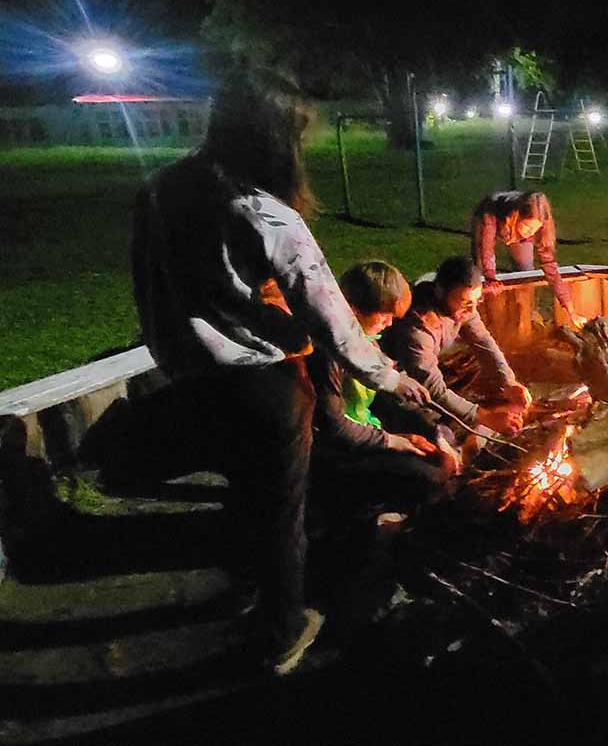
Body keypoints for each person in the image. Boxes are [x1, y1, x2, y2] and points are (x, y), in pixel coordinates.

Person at [130, 62, 429, 676]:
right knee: (281, 511)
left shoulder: (161, 190)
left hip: (193, 378)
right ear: (275, 138)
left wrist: (183, 353)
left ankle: (247, 590)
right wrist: (393, 378)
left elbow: (165, 291)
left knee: (242, 492)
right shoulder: (263, 213)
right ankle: (284, 631)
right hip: (261, 388)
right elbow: (335, 322)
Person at [307, 261, 461, 532]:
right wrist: (395, 441)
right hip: (335, 454)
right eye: (383, 316)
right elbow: (335, 429)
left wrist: (430, 429)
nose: (389, 324)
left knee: (441, 440)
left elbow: (382, 399)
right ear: (353, 309)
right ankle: (359, 522)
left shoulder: (367, 340)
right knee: (431, 477)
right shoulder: (328, 355)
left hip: (367, 431)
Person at [381, 256, 530, 436]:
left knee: (477, 370)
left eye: (477, 300)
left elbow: (482, 341)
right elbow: (432, 388)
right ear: (440, 292)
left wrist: (508, 381)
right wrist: (484, 417)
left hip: (425, 375)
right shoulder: (416, 327)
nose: (472, 309)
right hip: (391, 384)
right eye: (466, 302)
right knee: (439, 432)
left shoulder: (463, 308)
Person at [471, 190, 586, 327]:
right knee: (480, 270)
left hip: (514, 229)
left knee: (526, 269)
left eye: (534, 229)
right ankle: (477, 316)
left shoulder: (540, 228)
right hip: (491, 216)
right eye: (527, 226)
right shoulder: (490, 216)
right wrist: (490, 277)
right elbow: (486, 250)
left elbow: (550, 267)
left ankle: (527, 313)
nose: (530, 232)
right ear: (516, 215)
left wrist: (570, 310)